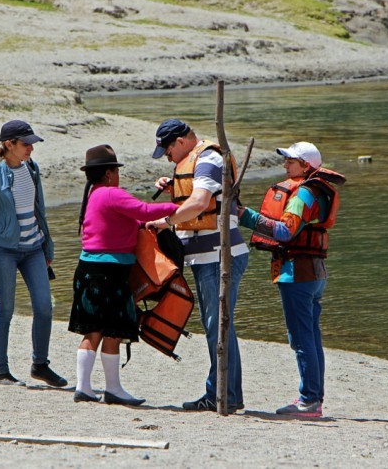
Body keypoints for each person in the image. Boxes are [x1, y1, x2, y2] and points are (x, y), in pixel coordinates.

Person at [146, 119, 249, 413]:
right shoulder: (200, 161)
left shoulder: (209, 159)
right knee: (218, 326)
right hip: (209, 257)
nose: (167, 157)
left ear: (180, 141)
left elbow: (202, 201)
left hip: (219, 256)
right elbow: (198, 197)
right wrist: (176, 188)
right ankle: (227, 394)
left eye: (167, 150)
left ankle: (222, 396)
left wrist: (165, 221)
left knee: (219, 328)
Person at [238, 141, 343, 419]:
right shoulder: (316, 190)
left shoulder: (303, 194)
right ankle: (313, 399)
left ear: (306, 166)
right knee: (311, 337)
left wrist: (243, 215)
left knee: (301, 339)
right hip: (315, 273)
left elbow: (285, 232)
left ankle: (309, 402)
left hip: (297, 273)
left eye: (290, 161)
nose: (285, 165)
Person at [69, 144, 179, 405]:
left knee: (92, 330)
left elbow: (128, 220)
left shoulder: (94, 194)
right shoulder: (111, 193)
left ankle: (84, 387)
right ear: (109, 174)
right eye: (116, 171)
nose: (118, 176)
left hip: (87, 269)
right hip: (110, 272)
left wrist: (145, 222)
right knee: (113, 331)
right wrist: (179, 207)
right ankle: (113, 389)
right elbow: (143, 211)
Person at [0, 120, 67, 388]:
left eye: (32, 144)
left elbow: (40, 211)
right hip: (4, 251)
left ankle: (40, 365)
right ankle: (1, 371)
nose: (31, 149)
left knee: (44, 307)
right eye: (26, 144)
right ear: (8, 145)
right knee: (5, 310)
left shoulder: (32, 169)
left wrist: (48, 246)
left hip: (34, 249)